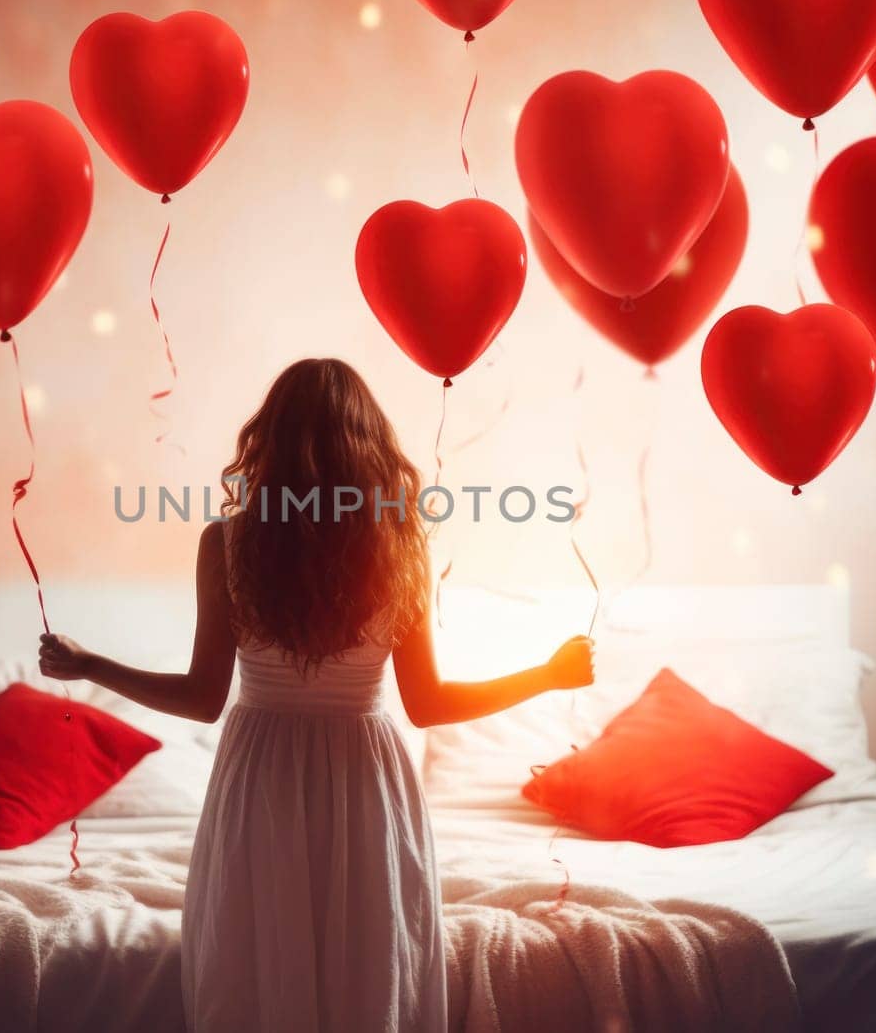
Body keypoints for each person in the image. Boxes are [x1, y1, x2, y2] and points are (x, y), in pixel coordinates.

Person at [38, 357, 594, 1032]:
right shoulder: (400, 547)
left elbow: (203, 696)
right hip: (366, 773)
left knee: (258, 954)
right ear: (369, 446)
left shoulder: (226, 544)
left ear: (266, 439)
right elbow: (428, 704)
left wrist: (89, 663)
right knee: (368, 955)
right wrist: (546, 673)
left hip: (261, 770)